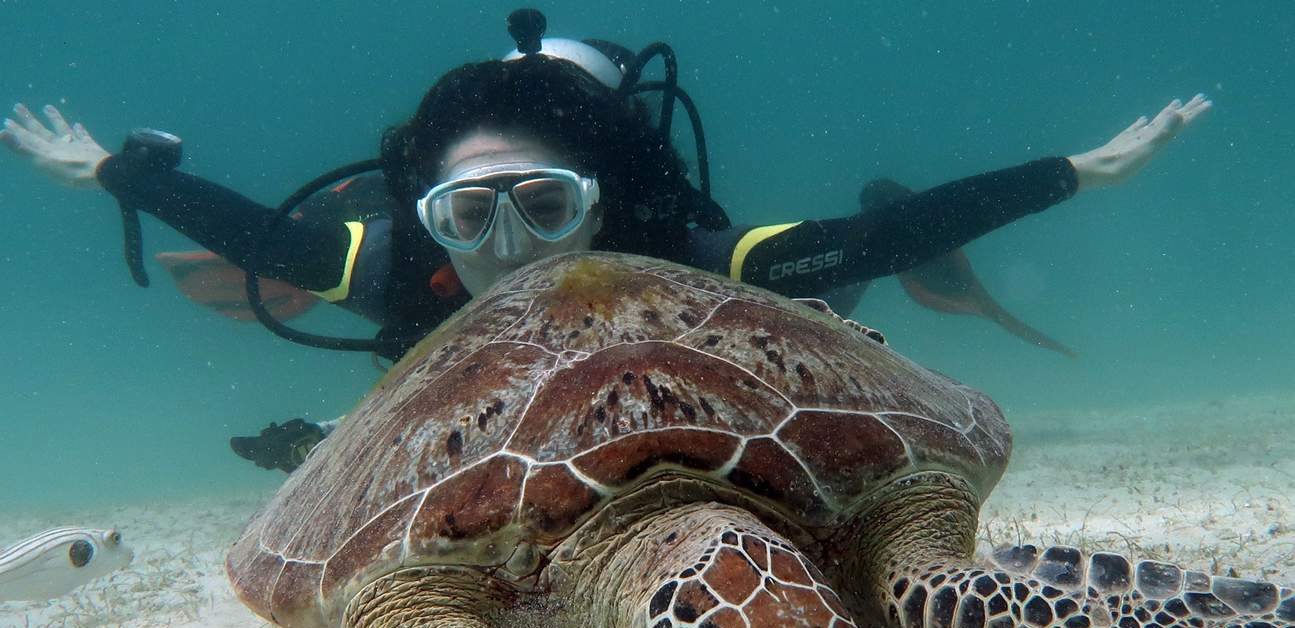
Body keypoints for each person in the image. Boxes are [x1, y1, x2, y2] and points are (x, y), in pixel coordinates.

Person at [2, 32, 1210, 472]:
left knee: (841, 266)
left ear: (598, 196)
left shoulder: (678, 252)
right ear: (427, 220)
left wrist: (1078, 172)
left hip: (747, 317)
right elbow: (251, 232)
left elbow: (878, 236)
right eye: (467, 216)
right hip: (474, 417)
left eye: (542, 203)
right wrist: (115, 170)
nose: (509, 247)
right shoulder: (392, 271)